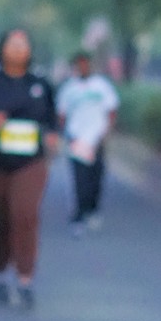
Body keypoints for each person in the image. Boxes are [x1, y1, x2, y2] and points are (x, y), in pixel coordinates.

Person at [0, 29, 59, 310]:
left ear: (30, 50)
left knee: (25, 215)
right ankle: (1, 272)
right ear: (2, 49)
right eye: (12, 44)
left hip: (30, 163)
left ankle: (25, 278)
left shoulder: (40, 85)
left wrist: (52, 135)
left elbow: (52, 117)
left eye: (22, 44)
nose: (17, 49)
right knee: (1, 220)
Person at [56, 50, 118, 234]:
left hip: (96, 139)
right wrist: (67, 134)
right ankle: (79, 214)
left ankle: (93, 208)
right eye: (79, 64)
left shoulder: (101, 86)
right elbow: (62, 114)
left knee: (95, 176)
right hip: (77, 139)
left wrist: (106, 132)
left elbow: (111, 110)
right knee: (79, 178)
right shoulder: (69, 89)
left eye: (85, 64)